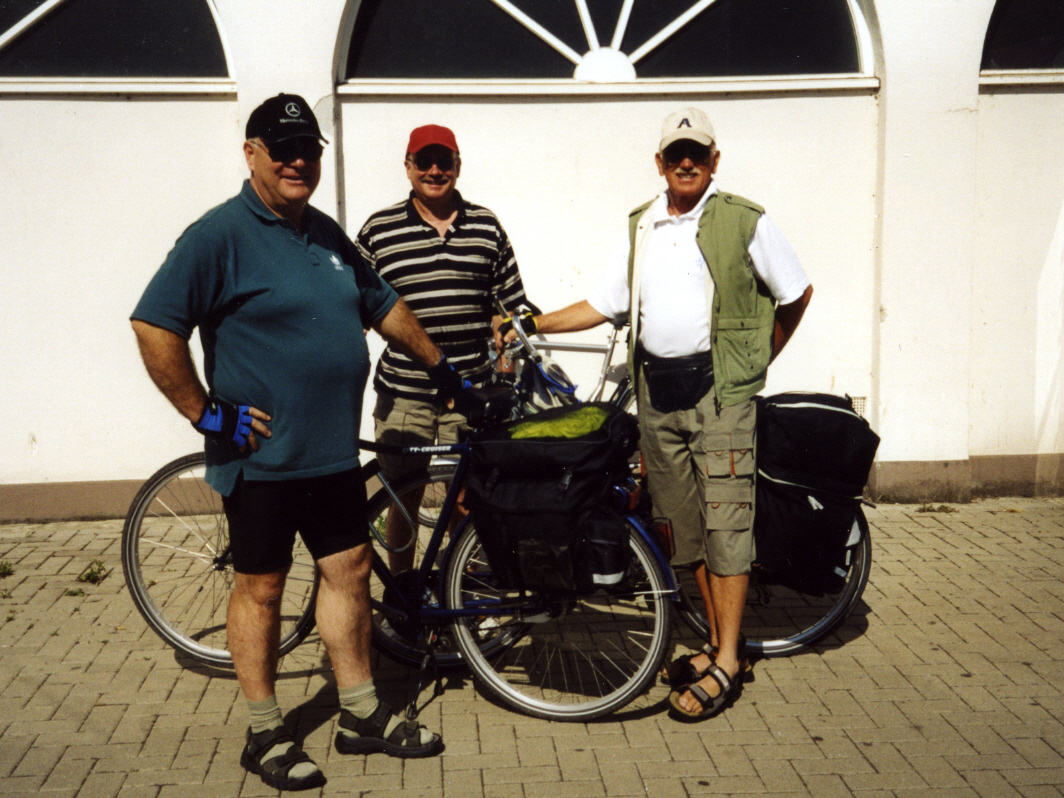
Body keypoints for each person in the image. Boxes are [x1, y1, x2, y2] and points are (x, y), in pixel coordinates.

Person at [130, 94, 457, 791]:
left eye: (307, 149)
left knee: (350, 571)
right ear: (251, 154)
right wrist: (206, 416)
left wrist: (442, 368)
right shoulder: (217, 236)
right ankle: (264, 731)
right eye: (282, 150)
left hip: (331, 453)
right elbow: (154, 325)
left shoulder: (327, 234)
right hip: (262, 459)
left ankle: (360, 713)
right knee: (262, 586)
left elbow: (383, 304)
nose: (297, 161)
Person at [501, 108, 813, 722]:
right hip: (659, 398)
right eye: (675, 154)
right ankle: (721, 645)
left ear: (714, 160)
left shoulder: (744, 219)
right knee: (682, 531)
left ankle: (727, 660)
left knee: (727, 526)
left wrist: (757, 360)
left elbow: (796, 292)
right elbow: (603, 304)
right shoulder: (642, 224)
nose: (686, 163)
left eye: (696, 153)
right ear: (660, 163)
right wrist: (532, 322)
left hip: (719, 398)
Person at [356, 124, 534, 572]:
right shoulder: (378, 230)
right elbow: (354, 307)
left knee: (466, 498)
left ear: (458, 165)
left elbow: (511, 303)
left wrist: (507, 332)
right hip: (404, 392)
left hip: (470, 390)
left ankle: (464, 584)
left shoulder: (486, 226)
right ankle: (404, 591)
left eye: (444, 161)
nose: (434, 171)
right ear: (408, 166)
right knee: (403, 496)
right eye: (424, 161)